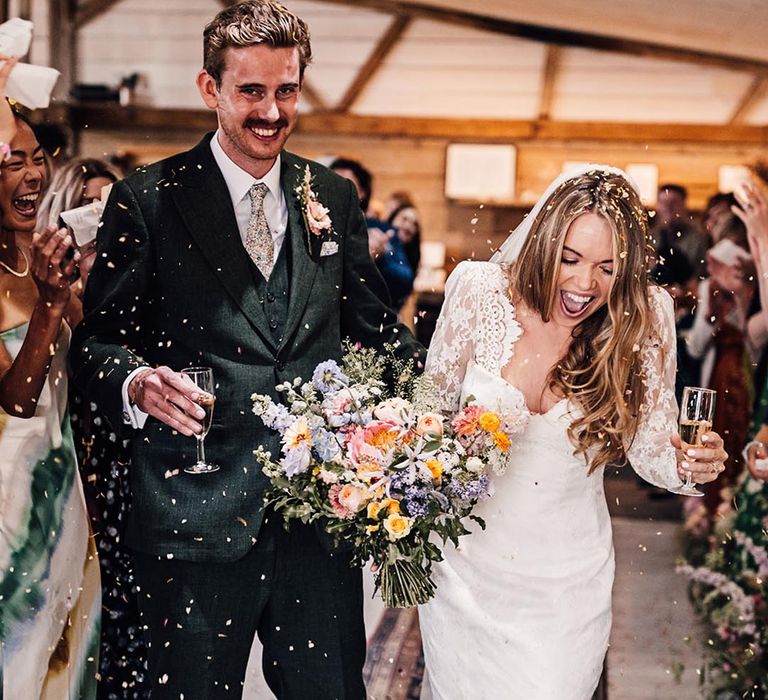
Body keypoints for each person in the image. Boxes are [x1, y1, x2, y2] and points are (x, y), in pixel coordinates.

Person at [69, 2, 423, 698]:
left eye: (285, 90)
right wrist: (137, 381)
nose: (271, 111)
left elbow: (376, 332)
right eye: (251, 92)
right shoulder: (149, 200)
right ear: (212, 90)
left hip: (317, 521)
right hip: (193, 518)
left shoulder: (332, 197)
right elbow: (96, 345)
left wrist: (455, 399)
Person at [418, 165, 727, 699]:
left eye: (608, 268)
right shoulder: (476, 290)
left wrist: (688, 464)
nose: (586, 284)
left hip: (567, 578)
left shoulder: (644, 315)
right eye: (571, 259)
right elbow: (427, 416)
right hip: (465, 567)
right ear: (542, 241)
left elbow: (653, 451)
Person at [0, 59, 99, 698]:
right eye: (12, 164)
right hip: (7, 496)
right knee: (17, 653)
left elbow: (88, 358)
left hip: (64, 484)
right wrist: (48, 302)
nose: (34, 174)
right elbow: (17, 396)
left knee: (68, 652)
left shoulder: (41, 256)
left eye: (37, 158)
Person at [37, 157, 149, 698]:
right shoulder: (54, 306)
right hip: (73, 492)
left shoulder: (138, 301)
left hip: (134, 499)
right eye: (90, 223)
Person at [331, 157, 415, 311]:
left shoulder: (383, 230)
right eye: (330, 183)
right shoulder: (318, 226)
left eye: (344, 183)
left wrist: (382, 257)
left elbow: (406, 280)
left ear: (362, 192)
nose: (335, 189)